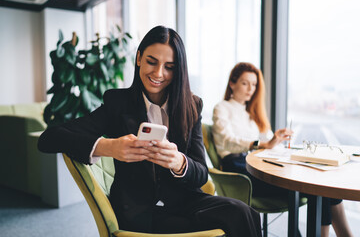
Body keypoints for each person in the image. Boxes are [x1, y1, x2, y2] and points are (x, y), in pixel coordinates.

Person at [38, 26, 261, 237]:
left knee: (245, 213)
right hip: (138, 211)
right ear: (138, 59)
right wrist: (109, 147)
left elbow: (201, 173)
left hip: (185, 202)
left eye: (169, 67)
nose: (158, 73)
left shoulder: (192, 106)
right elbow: (48, 139)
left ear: (179, 69)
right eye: (151, 62)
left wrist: (179, 163)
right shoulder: (118, 103)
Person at [212, 62, 353, 237]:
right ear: (232, 83)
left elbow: (268, 140)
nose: (250, 89)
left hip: (256, 163)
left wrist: (277, 139)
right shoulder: (222, 108)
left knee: (323, 187)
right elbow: (227, 140)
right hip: (240, 170)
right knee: (317, 189)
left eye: (254, 84)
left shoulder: (252, 113)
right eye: (245, 83)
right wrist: (262, 144)